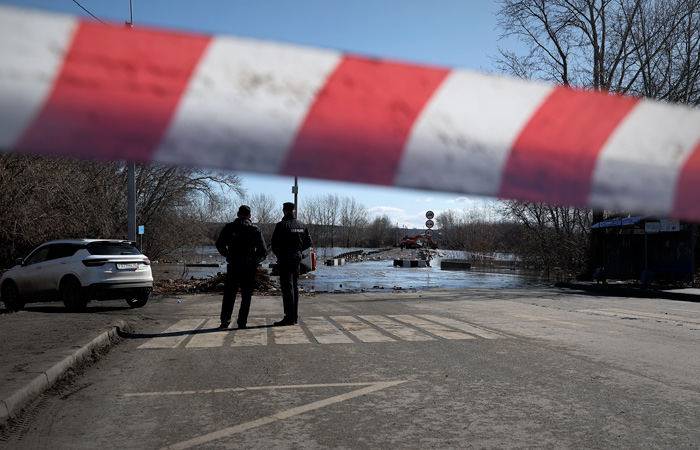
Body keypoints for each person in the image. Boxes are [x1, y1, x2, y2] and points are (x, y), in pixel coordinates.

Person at [215, 205, 267, 329]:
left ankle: (225, 321)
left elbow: (219, 244)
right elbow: (263, 249)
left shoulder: (229, 227)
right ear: (250, 216)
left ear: (238, 214)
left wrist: (228, 254)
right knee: (246, 295)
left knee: (229, 294)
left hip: (234, 264)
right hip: (249, 265)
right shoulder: (255, 229)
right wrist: (255, 260)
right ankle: (242, 322)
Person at [271, 202, 312, 326]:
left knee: (287, 287)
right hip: (296, 258)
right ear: (294, 211)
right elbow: (308, 242)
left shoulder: (281, 225)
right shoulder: (302, 225)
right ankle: (294, 317)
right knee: (294, 286)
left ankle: (289, 317)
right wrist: (297, 250)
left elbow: (274, 244)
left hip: (285, 259)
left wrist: (280, 254)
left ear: (284, 211)